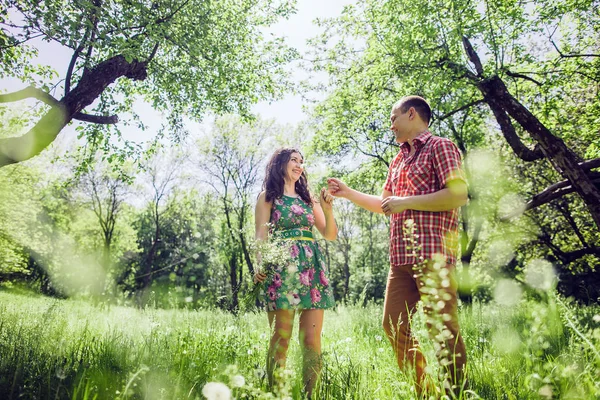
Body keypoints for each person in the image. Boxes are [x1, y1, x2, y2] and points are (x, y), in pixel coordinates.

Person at [327, 96, 468, 396]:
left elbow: (458, 195)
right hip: (400, 260)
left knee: (442, 330)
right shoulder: (397, 160)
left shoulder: (440, 147)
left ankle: (457, 392)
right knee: (392, 325)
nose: (390, 126)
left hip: (433, 255)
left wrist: (406, 202)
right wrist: (348, 193)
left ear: (412, 114)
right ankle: (426, 391)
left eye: (393, 118)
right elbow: (386, 205)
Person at [254, 147, 337, 398]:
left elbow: (330, 234)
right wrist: (260, 264)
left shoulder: (308, 199)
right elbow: (261, 237)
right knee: (281, 341)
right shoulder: (268, 197)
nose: (299, 165)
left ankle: (311, 395)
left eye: (301, 161)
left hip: (311, 271)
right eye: (293, 160)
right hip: (280, 272)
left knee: (312, 341)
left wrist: (327, 208)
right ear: (280, 164)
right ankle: (277, 394)